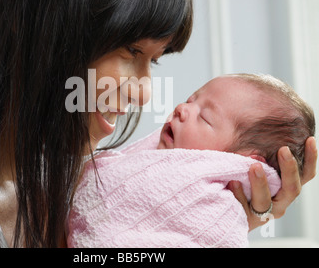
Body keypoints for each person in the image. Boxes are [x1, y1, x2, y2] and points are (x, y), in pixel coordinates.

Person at [0, 0, 316, 248]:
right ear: (40, 27)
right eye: (131, 51)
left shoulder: (87, 181)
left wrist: (230, 216)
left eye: (154, 62)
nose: (145, 92)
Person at [67, 74, 315, 247]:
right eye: (190, 100)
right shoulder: (154, 165)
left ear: (239, 163)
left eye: (205, 117)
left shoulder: (219, 213)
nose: (181, 109)